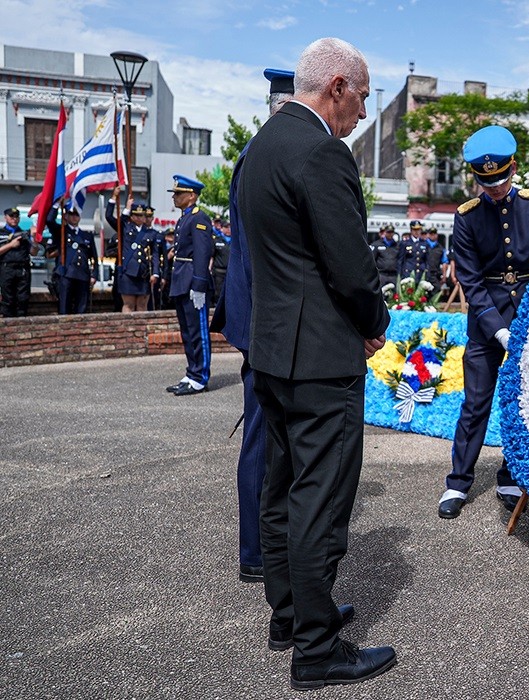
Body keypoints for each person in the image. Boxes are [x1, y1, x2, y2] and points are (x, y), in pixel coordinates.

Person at [237, 38, 396, 690]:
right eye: (361, 96)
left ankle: (291, 616)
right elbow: (350, 266)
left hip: (273, 348)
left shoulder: (262, 147)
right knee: (319, 502)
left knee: (280, 490)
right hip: (321, 359)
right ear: (336, 85)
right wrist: (374, 324)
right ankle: (318, 649)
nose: (362, 112)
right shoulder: (321, 151)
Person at [437, 124, 529, 519]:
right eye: (485, 181)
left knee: (522, 402)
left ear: (514, 168)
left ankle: (511, 474)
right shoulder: (467, 218)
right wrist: (498, 329)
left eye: (500, 179)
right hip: (485, 322)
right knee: (476, 403)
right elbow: (471, 281)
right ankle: (458, 482)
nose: (493, 188)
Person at [211, 66, 295, 585]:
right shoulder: (267, 155)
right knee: (263, 438)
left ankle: (264, 544)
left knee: (269, 436)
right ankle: (256, 551)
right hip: (266, 324)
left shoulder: (257, 154)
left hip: (261, 321)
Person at [165, 175, 214, 397]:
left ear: (191, 195)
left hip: (193, 281)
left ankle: (200, 377)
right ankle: (191, 371)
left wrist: (200, 285)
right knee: (187, 331)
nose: (175, 197)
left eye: (178, 193)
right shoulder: (184, 218)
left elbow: (203, 253)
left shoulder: (198, 218)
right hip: (181, 280)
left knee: (198, 331)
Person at [105, 197, 159, 312]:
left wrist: (155, 273)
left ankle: (141, 330)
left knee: (142, 305)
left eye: (142, 215)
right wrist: (122, 205)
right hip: (128, 272)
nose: (140, 218)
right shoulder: (125, 227)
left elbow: (155, 254)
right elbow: (109, 217)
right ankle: (128, 329)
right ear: (132, 216)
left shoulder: (152, 233)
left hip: (143, 273)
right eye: (137, 215)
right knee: (128, 304)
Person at [45, 201, 98, 314]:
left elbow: (94, 257)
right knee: (64, 306)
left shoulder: (87, 235)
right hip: (66, 274)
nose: (74, 217)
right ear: (66, 216)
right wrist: (56, 204)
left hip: (83, 275)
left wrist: (94, 275)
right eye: (72, 214)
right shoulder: (61, 231)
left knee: (81, 307)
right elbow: (49, 220)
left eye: (77, 215)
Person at [0, 206, 37, 317]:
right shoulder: (1, 233)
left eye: (16, 217)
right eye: (11, 216)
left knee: (23, 300)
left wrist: (34, 238)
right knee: (8, 300)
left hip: (23, 269)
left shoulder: (24, 234)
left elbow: (33, 252)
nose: (14, 219)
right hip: (7, 269)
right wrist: (11, 245)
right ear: (6, 217)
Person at [368, 223, 399, 289]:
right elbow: (372, 260)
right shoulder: (377, 244)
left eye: (391, 232)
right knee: (381, 294)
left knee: (393, 296)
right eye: (388, 232)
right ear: (385, 232)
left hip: (393, 275)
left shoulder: (397, 245)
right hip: (382, 275)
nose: (390, 234)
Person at [210, 218, 230, 307]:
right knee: (218, 293)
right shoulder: (217, 240)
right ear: (222, 228)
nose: (229, 229)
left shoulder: (235, 240)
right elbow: (211, 256)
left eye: (230, 227)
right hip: (219, 272)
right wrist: (209, 268)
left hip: (231, 271)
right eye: (227, 227)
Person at [423, 225, 448, 293]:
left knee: (436, 291)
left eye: (434, 233)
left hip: (435, 274)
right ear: (428, 235)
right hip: (424, 274)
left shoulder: (440, 248)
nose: (433, 235)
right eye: (431, 234)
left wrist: (444, 276)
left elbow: (444, 262)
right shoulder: (423, 245)